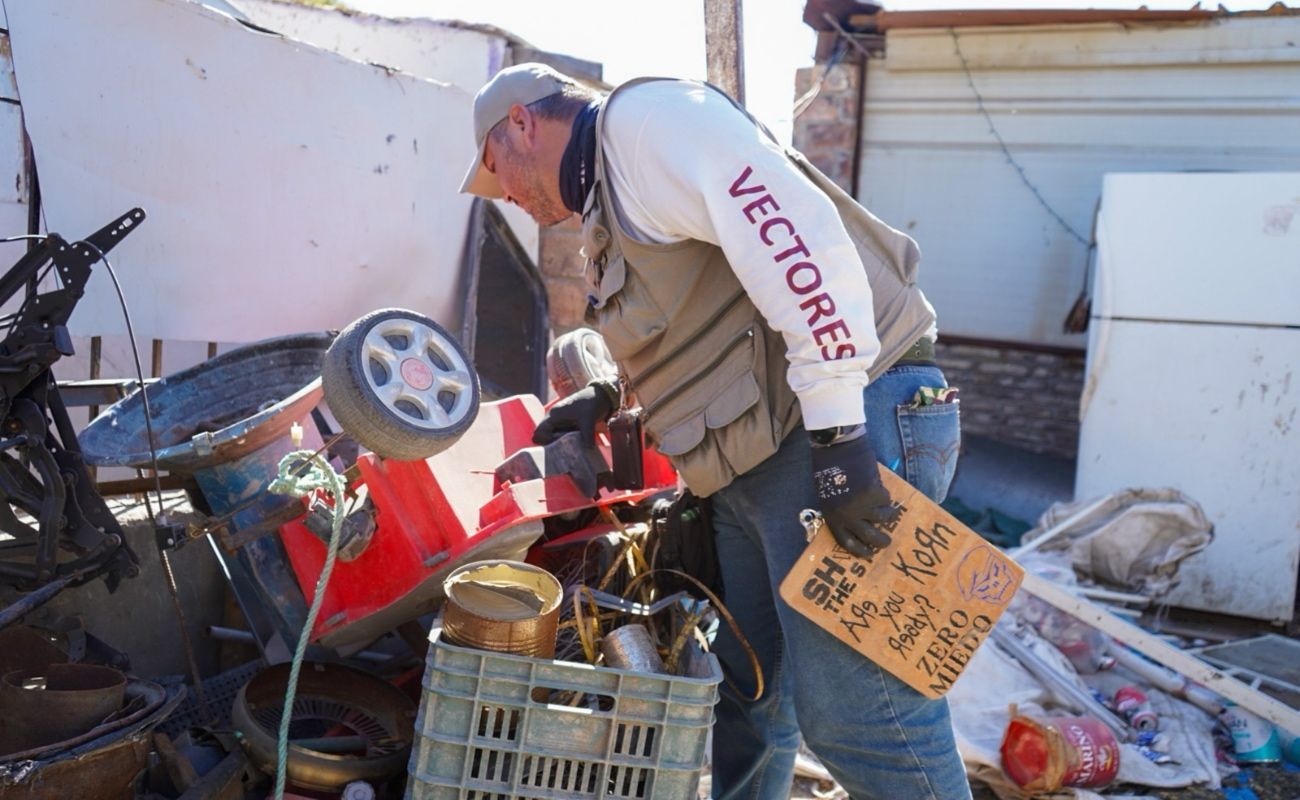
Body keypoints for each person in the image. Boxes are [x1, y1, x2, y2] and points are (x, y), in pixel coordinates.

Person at [459, 62, 969, 800]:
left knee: (864, 717)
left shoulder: (649, 127)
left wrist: (838, 441)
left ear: (521, 123)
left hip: (837, 427)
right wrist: (610, 396)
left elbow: (801, 248)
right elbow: (706, 314)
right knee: (749, 697)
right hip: (759, 463)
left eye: (495, 169)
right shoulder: (613, 192)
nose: (504, 192)